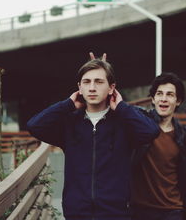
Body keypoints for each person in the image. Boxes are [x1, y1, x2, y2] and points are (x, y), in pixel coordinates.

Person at [26, 56, 159, 220]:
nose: (92, 87)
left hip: (115, 214)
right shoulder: (70, 124)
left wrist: (122, 107)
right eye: (86, 82)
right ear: (79, 88)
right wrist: (68, 104)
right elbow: (34, 126)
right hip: (77, 213)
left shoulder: (123, 123)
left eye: (99, 81)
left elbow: (151, 131)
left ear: (112, 88)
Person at [131, 72, 186, 220]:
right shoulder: (139, 125)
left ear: (178, 101)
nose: (164, 99)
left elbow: (184, 178)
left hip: (172, 211)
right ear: (153, 99)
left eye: (170, 94)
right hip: (139, 211)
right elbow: (117, 110)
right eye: (159, 94)